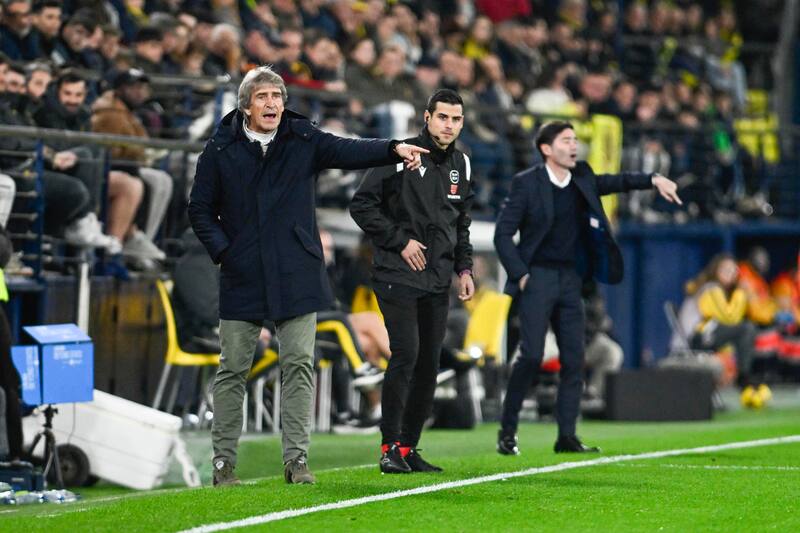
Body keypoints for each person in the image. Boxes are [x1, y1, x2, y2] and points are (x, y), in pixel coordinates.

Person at [188, 65, 427, 487]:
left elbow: (347, 149)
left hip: (296, 269)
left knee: (298, 363)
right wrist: (226, 252)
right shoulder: (220, 149)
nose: (272, 104)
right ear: (245, 106)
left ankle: (296, 462)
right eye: (263, 97)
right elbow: (200, 210)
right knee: (233, 370)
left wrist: (394, 148)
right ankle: (223, 465)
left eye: (277, 97)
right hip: (243, 273)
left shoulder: (302, 140)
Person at [494, 120, 681, 455]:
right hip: (537, 277)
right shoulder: (526, 184)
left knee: (574, 359)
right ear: (546, 149)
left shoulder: (582, 177)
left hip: (571, 281)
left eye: (575, 140)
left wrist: (653, 180)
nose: (574, 145)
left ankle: (567, 435)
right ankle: (508, 430)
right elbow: (502, 234)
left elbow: (619, 181)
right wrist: (520, 272)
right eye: (566, 140)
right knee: (532, 355)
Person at [350, 88, 475, 474]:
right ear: (427, 117)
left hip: (438, 279)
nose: (448, 125)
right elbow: (361, 204)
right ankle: (388, 447)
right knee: (405, 354)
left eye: (455, 119)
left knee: (428, 364)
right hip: (397, 274)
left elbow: (461, 223)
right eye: (442, 118)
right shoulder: (401, 154)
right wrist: (400, 241)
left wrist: (464, 269)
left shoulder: (462, 165)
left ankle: (408, 448)